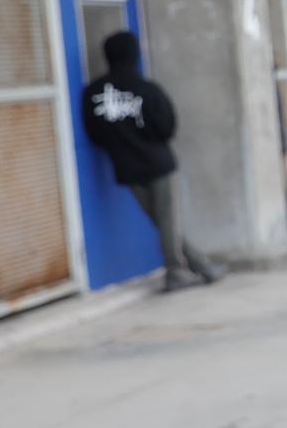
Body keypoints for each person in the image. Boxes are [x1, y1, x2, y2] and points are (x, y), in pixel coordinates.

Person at [80, 30, 223, 290]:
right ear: (134, 54)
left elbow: (95, 134)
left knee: (162, 221)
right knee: (167, 220)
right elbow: (167, 127)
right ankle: (176, 270)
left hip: (125, 167)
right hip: (159, 165)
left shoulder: (93, 92)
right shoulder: (146, 89)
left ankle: (200, 264)